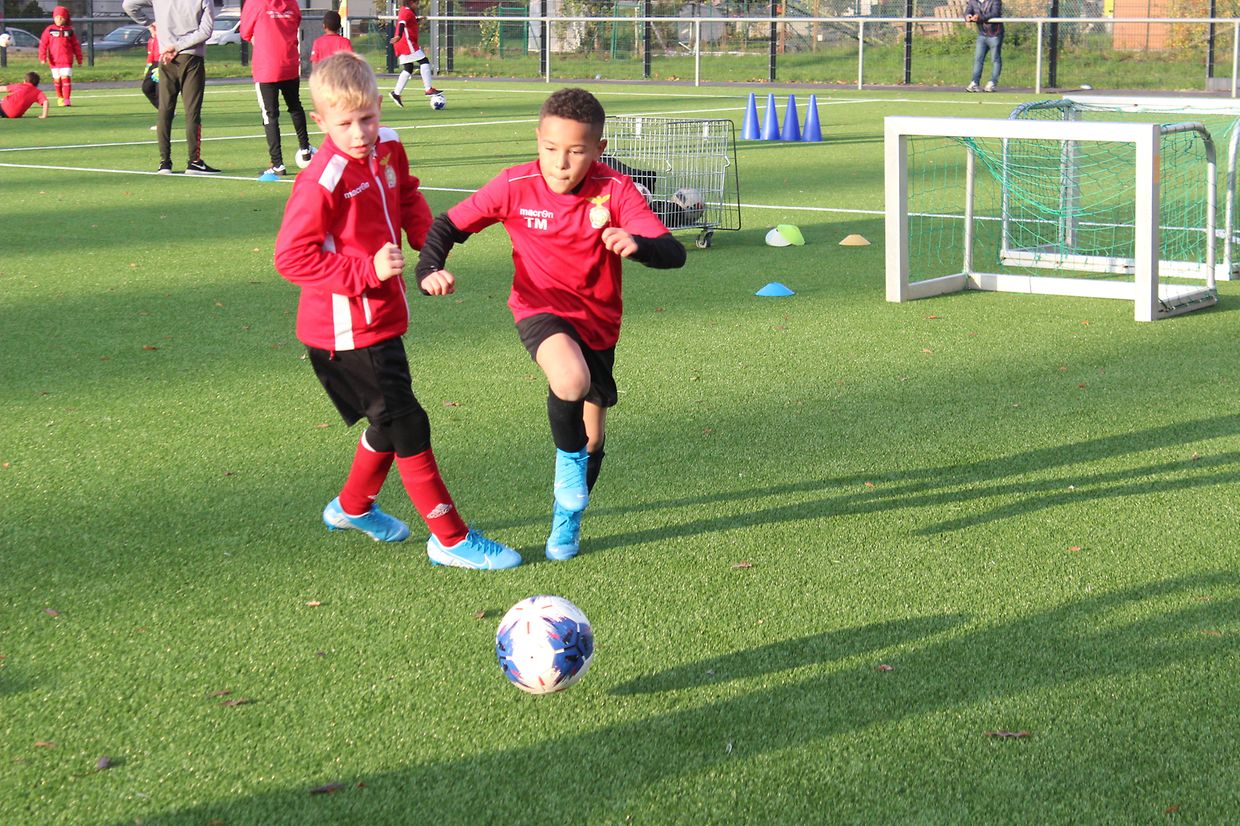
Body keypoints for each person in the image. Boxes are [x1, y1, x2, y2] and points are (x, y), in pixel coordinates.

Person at [415, 87, 687, 561]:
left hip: (599, 323)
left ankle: (567, 519)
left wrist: (638, 245)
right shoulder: (514, 184)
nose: (560, 163)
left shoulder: (616, 189)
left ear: (599, 150)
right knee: (570, 379)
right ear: (537, 138)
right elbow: (447, 226)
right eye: (550, 148)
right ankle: (567, 471)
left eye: (576, 152)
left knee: (594, 436)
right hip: (539, 308)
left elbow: (674, 253)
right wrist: (428, 269)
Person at [273, 52, 521, 571]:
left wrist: (427, 257)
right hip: (343, 331)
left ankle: (351, 508)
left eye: (367, 117)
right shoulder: (321, 180)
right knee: (407, 421)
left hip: (381, 317)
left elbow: (407, 197)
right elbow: (291, 257)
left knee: (387, 422)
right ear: (320, 122)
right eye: (344, 123)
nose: (360, 132)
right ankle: (450, 539)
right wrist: (366, 271)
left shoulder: (388, 148)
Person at [123, 0, 221, 175]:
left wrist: (149, 24)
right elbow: (206, 31)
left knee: (165, 109)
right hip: (191, 58)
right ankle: (194, 161)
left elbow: (128, 5)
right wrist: (177, 47)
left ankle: (165, 162)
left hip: (165, 58)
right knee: (192, 111)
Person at [241, 0, 314, 176]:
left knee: (270, 115)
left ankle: (278, 164)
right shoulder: (292, 3)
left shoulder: (255, 3)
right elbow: (297, 20)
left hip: (266, 67)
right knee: (295, 106)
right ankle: (305, 149)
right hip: (289, 63)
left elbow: (245, 32)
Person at [387, 0, 439, 107]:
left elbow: (408, 22)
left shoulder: (405, 11)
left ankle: (396, 93)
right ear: (410, 3)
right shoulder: (406, 11)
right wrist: (399, 36)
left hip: (402, 43)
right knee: (424, 62)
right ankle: (428, 89)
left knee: (408, 68)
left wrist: (418, 20)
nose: (417, 5)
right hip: (406, 43)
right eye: (416, 3)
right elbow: (402, 24)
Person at [37, 6, 81, 107]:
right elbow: (43, 44)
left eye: (61, 17)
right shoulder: (49, 30)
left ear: (65, 18)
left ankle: (66, 99)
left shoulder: (70, 31)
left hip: (66, 59)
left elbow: (76, 45)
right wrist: (42, 57)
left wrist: (79, 58)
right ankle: (60, 97)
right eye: (56, 17)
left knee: (65, 78)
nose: (59, 19)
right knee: (57, 80)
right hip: (54, 60)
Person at [965, 0, 1004, 93]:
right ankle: (974, 82)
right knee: (978, 59)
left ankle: (992, 83)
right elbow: (968, 11)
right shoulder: (973, 1)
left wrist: (979, 18)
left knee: (995, 59)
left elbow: (994, 13)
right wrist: (967, 16)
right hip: (982, 34)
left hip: (995, 34)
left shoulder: (995, 1)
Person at [140, 26, 160, 125]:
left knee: (161, 92)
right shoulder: (152, 39)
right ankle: (167, 111)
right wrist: (148, 65)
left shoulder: (163, 36)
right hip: (154, 63)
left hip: (164, 62)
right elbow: (151, 53)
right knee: (146, 87)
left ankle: (162, 122)